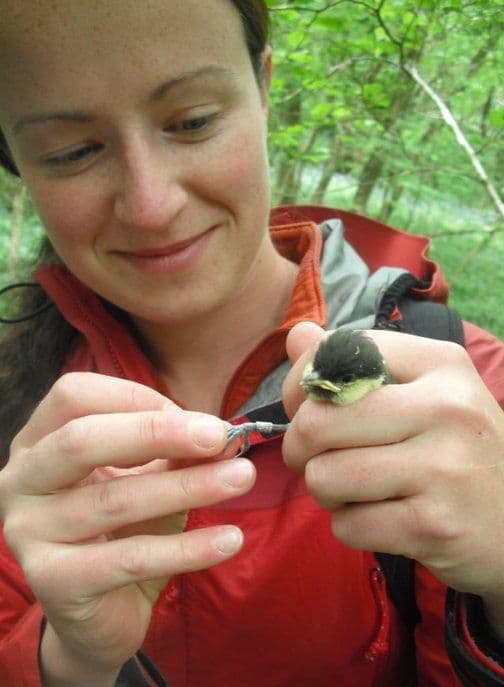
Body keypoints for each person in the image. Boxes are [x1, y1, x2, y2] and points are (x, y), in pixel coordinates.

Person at [0, 1, 503, 686]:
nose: (152, 205)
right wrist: (67, 659)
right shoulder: (18, 404)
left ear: (264, 89)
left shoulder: (473, 396)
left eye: (194, 120)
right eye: (72, 151)